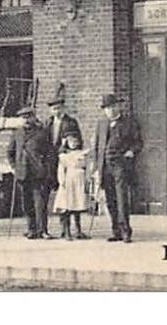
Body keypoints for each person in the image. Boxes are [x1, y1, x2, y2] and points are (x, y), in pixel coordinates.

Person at [91, 94, 142, 243]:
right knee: (110, 200)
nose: (110, 111)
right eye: (107, 108)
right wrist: (96, 166)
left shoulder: (129, 123)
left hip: (121, 165)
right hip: (105, 166)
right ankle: (116, 231)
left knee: (121, 198)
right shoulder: (101, 123)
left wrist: (131, 151)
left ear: (119, 106)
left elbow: (138, 142)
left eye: (113, 107)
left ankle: (126, 231)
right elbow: (97, 147)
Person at [10, 108, 58, 239]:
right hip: (22, 173)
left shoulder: (42, 133)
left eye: (28, 117)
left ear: (33, 117)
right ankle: (31, 229)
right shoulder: (17, 133)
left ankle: (42, 230)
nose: (26, 120)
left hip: (38, 173)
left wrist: (46, 168)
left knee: (40, 203)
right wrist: (15, 167)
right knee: (27, 203)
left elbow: (50, 152)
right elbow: (11, 152)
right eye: (23, 117)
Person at [45, 93, 82, 225]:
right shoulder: (48, 122)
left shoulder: (71, 122)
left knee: (67, 192)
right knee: (55, 191)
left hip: (66, 159)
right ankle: (49, 228)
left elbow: (77, 142)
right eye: (54, 109)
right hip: (51, 161)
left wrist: (68, 151)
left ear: (63, 108)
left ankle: (71, 226)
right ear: (51, 110)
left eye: (59, 108)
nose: (57, 111)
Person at [54, 132, 92, 240]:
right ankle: (66, 231)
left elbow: (88, 167)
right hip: (68, 181)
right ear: (67, 143)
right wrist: (62, 181)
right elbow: (61, 169)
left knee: (77, 206)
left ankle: (78, 230)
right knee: (67, 206)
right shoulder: (64, 156)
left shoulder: (83, 154)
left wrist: (87, 179)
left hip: (79, 180)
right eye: (71, 142)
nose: (74, 144)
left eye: (75, 141)